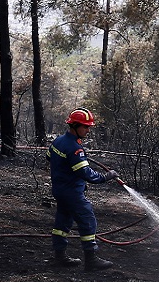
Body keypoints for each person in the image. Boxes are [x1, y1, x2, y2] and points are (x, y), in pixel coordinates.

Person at [47, 107, 120, 271]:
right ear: (74, 126)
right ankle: (91, 259)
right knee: (88, 220)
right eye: (85, 127)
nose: (88, 130)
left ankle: (59, 257)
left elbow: (49, 157)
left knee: (63, 222)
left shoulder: (58, 141)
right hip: (72, 192)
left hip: (59, 190)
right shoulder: (75, 148)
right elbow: (87, 173)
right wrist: (106, 176)